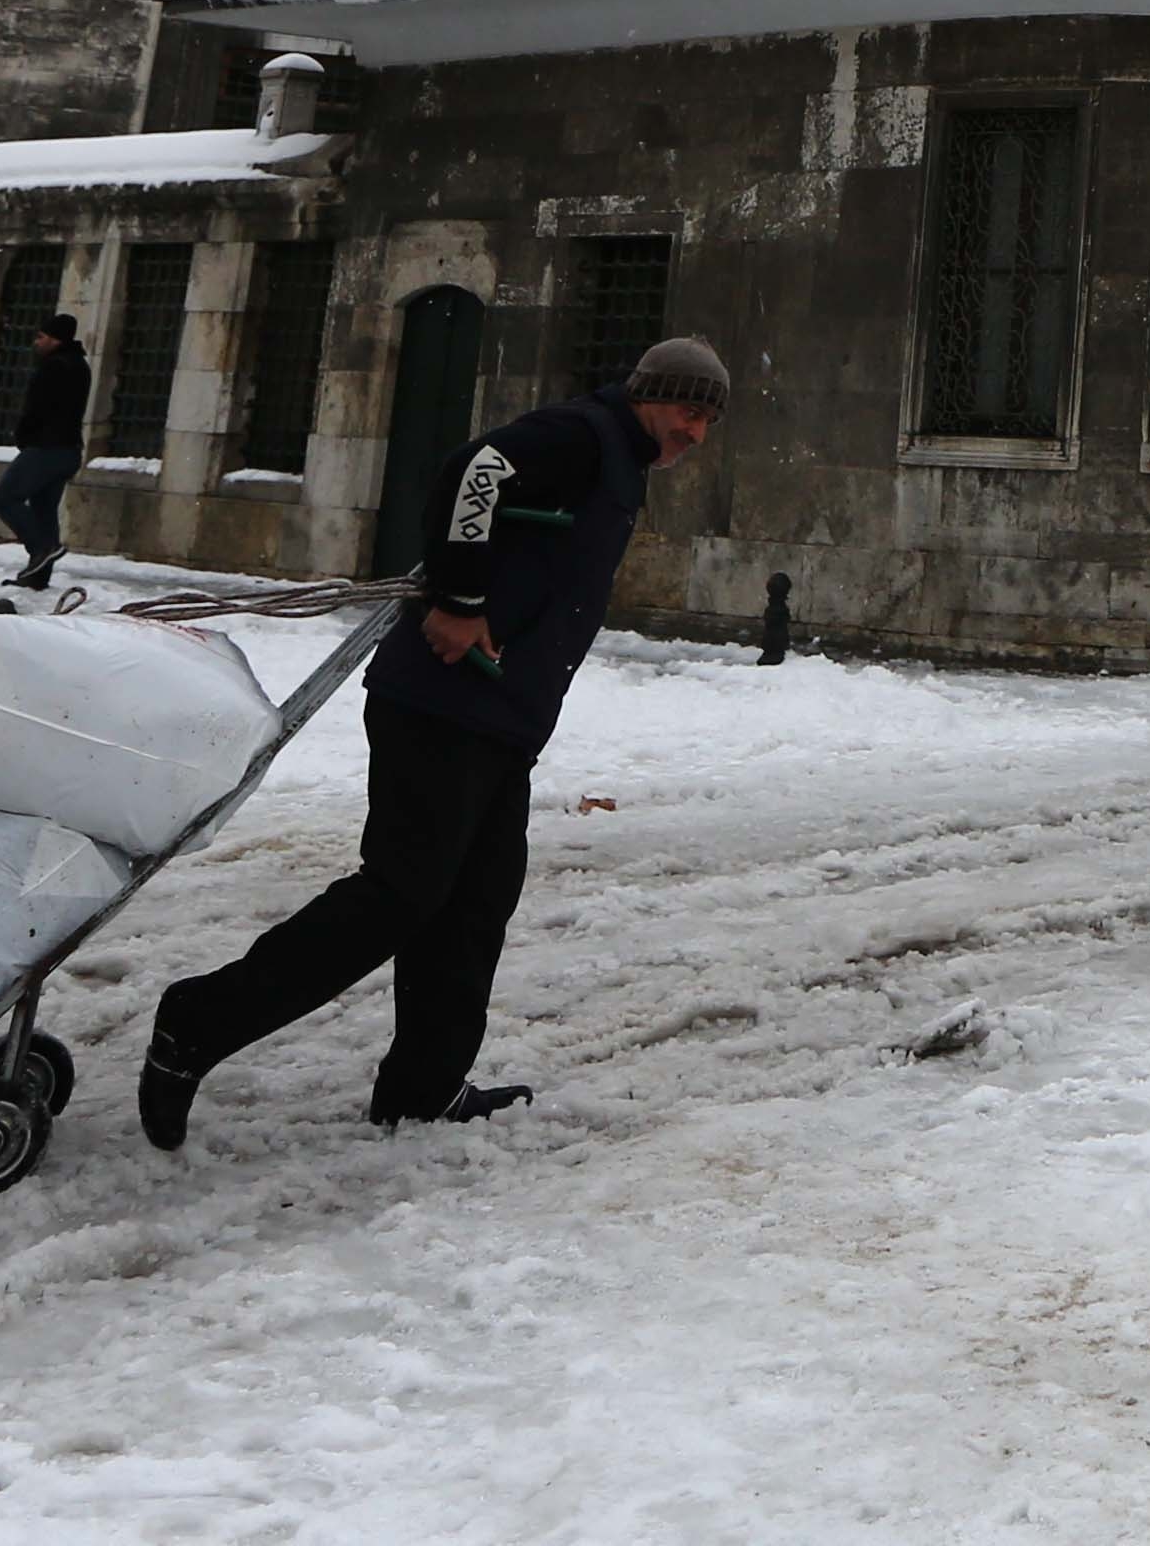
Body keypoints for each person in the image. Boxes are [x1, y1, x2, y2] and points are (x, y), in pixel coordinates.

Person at [139, 335, 736, 1144]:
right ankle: (197, 1021)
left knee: (475, 904)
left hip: (497, 720)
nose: (694, 432)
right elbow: (473, 471)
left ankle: (425, 1085)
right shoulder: (581, 435)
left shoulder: (616, 456)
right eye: (685, 410)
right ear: (646, 394)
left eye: (706, 419)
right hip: (442, 707)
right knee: (402, 894)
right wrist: (458, 598)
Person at [0, 306, 91, 593]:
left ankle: (43, 548)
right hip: (68, 449)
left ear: (56, 340)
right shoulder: (79, 366)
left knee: (4, 499)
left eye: (41, 337)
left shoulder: (55, 367)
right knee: (44, 508)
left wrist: (23, 436)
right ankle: (38, 575)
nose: (36, 342)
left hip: (47, 447)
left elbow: (38, 408)